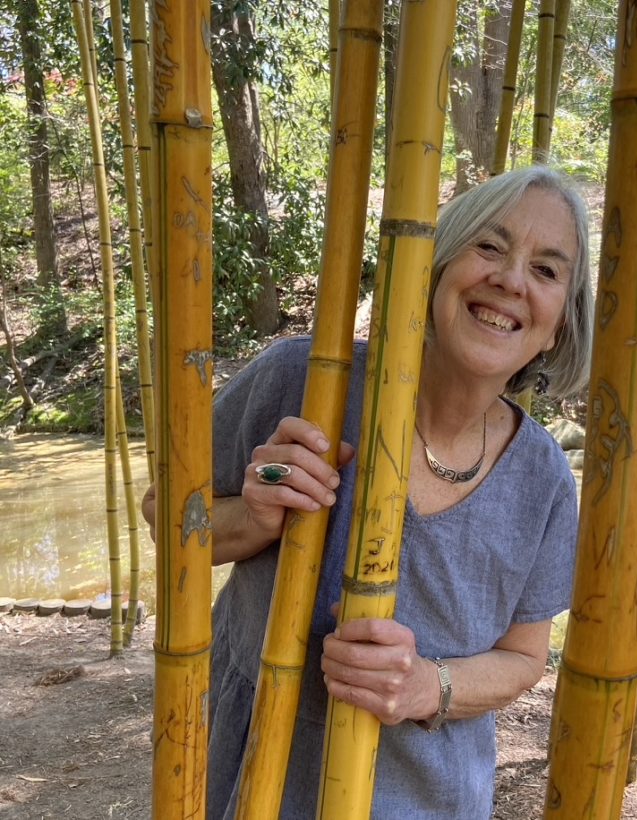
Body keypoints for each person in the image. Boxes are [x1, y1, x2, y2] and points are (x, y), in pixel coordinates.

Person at [143, 165, 594, 819]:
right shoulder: (305, 381)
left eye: (546, 270)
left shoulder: (543, 478)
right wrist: (257, 517)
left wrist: (429, 686)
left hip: (428, 799)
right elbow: (165, 514)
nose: (511, 279)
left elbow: (524, 658)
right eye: (489, 246)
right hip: (251, 777)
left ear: (558, 328)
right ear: (434, 268)